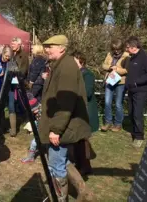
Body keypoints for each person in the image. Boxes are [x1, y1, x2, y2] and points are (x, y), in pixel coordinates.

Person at [39, 35, 93, 202]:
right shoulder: (60, 64)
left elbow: (66, 103)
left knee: (56, 165)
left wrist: (56, 130)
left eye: (50, 46)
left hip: (62, 126)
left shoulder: (67, 66)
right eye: (46, 46)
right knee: (60, 161)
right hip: (60, 122)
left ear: (62, 48)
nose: (46, 50)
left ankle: (60, 199)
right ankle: (83, 192)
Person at [125, 36, 147, 148]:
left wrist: (137, 82)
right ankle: (134, 130)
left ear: (133, 47)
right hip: (131, 89)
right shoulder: (132, 57)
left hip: (141, 90)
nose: (126, 49)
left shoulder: (145, 57)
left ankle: (139, 136)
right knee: (131, 112)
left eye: (128, 47)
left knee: (137, 113)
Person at [101, 38, 129, 132]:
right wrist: (109, 67)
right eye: (114, 49)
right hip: (110, 80)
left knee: (118, 104)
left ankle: (118, 124)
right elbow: (103, 65)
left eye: (118, 49)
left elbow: (127, 70)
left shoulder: (126, 56)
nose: (116, 51)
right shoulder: (109, 54)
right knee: (107, 102)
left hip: (121, 82)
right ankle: (108, 122)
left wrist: (117, 70)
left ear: (122, 48)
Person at [72, 50, 99, 133]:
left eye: (74, 61)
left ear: (82, 62)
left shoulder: (87, 75)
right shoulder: (73, 73)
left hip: (86, 110)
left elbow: (87, 93)